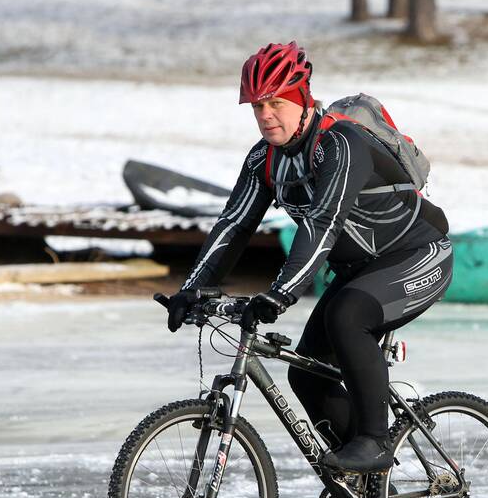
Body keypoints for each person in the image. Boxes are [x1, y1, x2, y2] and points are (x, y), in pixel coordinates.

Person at [166, 41, 453, 474]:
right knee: (307, 374)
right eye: (257, 106)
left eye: (276, 103)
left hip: (417, 255)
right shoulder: (265, 158)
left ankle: (375, 441)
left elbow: (324, 222)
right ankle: (364, 485)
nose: (265, 114)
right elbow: (235, 224)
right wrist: (190, 291)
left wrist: (281, 292)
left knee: (348, 318)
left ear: (302, 99)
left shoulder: (342, 144)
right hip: (359, 269)